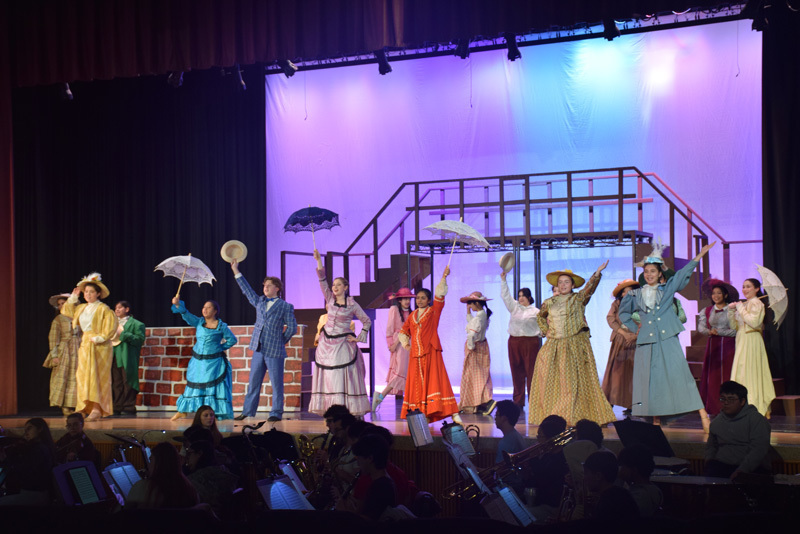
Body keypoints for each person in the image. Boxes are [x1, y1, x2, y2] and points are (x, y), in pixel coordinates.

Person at [619, 241, 715, 430]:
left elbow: (681, 275)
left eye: (653, 271)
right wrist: (635, 327)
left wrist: (699, 256)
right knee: (650, 379)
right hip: (646, 340)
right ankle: (655, 419)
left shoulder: (667, 289)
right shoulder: (635, 295)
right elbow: (623, 313)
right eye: (646, 272)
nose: (649, 275)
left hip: (667, 338)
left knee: (680, 374)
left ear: (659, 274)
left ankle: (703, 414)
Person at [528, 261, 615, 426]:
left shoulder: (578, 299)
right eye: (560, 282)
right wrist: (546, 330)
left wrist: (597, 273)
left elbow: (589, 289)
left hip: (573, 345)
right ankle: (553, 416)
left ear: (573, 285)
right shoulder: (549, 302)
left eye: (566, 282)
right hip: (554, 346)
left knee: (572, 382)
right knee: (551, 382)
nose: (562, 285)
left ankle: (571, 415)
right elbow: (540, 316)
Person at [230, 259, 297, 422]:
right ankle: (247, 411)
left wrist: (280, 341)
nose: (265, 288)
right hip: (259, 348)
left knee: (276, 384)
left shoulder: (285, 306)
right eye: (264, 286)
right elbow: (247, 290)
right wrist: (235, 271)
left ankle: (276, 412)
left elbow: (292, 327)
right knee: (253, 382)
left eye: (268, 286)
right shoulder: (260, 301)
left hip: (275, 350)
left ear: (277, 288)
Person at [310, 249, 371, 416]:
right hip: (326, 342)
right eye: (334, 285)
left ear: (346, 287)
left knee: (341, 375)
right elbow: (322, 280)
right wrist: (318, 261)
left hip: (343, 343)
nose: (335, 287)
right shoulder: (329, 299)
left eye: (338, 285)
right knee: (329, 375)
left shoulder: (352, 304)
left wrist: (359, 337)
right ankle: (331, 408)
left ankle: (345, 408)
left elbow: (367, 320)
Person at [398, 266, 461, 424]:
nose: (419, 300)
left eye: (423, 298)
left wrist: (444, 276)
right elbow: (403, 331)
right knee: (418, 385)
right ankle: (422, 414)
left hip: (430, 352)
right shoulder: (412, 315)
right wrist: (406, 345)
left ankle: (453, 413)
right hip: (416, 356)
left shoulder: (433, 312)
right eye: (417, 298)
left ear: (428, 300)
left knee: (438, 382)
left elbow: (440, 296)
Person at [60, 273, 119, 420]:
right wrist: (73, 298)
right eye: (86, 292)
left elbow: (111, 326)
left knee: (97, 376)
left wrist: (101, 337)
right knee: (83, 376)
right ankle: (83, 407)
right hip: (85, 343)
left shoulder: (103, 309)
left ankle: (97, 408)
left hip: (100, 345)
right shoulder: (81, 308)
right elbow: (66, 311)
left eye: (91, 292)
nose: (88, 294)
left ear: (98, 293)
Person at [170, 297, 237, 421]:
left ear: (215, 311)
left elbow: (232, 339)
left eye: (208, 307)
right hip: (198, 362)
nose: (205, 310)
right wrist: (178, 304)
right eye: (203, 307)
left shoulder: (221, 326)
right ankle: (183, 410)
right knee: (193, 385)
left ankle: (214, 412)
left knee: (212, 387)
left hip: (214, 362)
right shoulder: (199, 322)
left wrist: (219, 347)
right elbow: (186, 314)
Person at [705, 380, 772, 480]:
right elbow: (711, 447)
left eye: (731, 399)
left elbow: (759, 449)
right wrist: (709, 461)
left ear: (742, 401)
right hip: (721, 468)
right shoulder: (716, 422)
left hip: (751, 470)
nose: (726, 403)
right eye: (723, 399)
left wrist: (742, 470)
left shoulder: (756, 420)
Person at [728, 278, 776, 416]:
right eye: (743, 286)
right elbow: (734, 326)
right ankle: (740, 405)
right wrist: (731, 312)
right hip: (742, 339)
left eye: (748, 286)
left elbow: (754, 322)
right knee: (741, 372)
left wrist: (740, 307)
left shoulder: (757, 303)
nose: (745, 289)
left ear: (756, 289)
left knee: (750, 371)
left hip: (752, 339)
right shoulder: (745, 304)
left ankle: (755, 405)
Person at [500, 271, 541, 408]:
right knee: (516, 372)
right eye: (519, 296)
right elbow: (505, 296)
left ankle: (534, 401)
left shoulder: (536, 311)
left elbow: (544, 326)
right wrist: (503, 280)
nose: (521, 298)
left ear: (529, 297)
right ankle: (518, 402)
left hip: (530, 343)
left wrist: (543, 333)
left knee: (531, 373)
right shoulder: (514, 308)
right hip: (514, 342)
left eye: (523, 296)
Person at [698, 281, 738, 414]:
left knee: (728, 374)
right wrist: (709, 332)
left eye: (719, 293)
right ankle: (714, 406)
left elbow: (736, 331)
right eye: (714, 293)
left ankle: (731, 406)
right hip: (713, 346)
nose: (716, 295)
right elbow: (701, 327)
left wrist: (719, 332)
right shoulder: (707, 310)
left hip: (729, 346)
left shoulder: (733, 309)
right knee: (713, 376)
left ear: (725, 295)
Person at [601, 279, 640, 411]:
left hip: (637, 341)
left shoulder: (641, 303)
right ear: (622, 294)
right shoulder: (616, 304)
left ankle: (633, 404)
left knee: (634, 374)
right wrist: (624, 333)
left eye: (632, 290)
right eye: (626, 291)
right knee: (616, 374)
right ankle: (608, 405)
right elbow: (611, 319)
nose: (629, 293)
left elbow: (647, 320)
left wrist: (635, 335)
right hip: (620, 341)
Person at [372, 288, 413, 412]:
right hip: (399, 344)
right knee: (400, 372)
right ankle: (380, 396)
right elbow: (390, 329)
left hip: (409, 344)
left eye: (408, 298)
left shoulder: (412, 312)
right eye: (404, 298)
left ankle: (411, 404)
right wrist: (392, 345)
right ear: (399, 300)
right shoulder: (394, 310)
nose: (407, 301)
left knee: (408, 373)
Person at [0, 418, 56, 506]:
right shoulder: (38, 447)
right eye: (25, 429)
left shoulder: (40, 449)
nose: (26, 432)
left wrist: (7, 460)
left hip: (34, 494)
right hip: (28, 492)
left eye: (29, 428)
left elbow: (23, 470)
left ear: (40, 429)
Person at [126, 442, 199, 509]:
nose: (148, 465)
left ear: (158, 463)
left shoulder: (142, 487)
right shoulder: (189, 489)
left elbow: (121, 514)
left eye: (151, 460)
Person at [43, 293, 80, 415]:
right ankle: (65, 406)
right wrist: (54, 356)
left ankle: (76, 405)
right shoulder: (58, 320)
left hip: (79, 349)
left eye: (63, 303)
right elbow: (53, 339)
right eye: (59, 304)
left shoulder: (78, 318)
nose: (60, 306)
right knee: (64, 377)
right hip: (65, 351)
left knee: (76, 378)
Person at [458, 291, 493, 414]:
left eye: (471, 304)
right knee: (481, 375)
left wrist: (471, 346)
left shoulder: (479, 317)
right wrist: (468, 312)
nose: (470, 306)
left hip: (476, 348)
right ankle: (482, 402)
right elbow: (473, 323)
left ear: (476, 303)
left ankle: (478, 402)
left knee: (472, 376)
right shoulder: (482, 315)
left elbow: (471, 333)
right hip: (483, 346)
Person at [184, 439, 239, 516]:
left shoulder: (194, 481)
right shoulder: (226, 475)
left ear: (199, 453)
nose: (187, 459)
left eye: (189, 454)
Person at [111, 300, 145, 416]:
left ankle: (129, 406)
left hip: (128, 356)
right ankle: (117, 405)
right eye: (116, 308)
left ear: (127, 309)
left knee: (128, 381)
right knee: (117, 382)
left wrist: (124, 334)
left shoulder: (137, 324)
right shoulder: (112, 323)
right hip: (115, 355)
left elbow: (139, 340)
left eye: (120, 308)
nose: (117, 310)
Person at [583, 451, 639, 520]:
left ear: (598, 476)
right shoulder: (623, 494)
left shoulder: (607, 504)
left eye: (586, 473)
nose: (584, 478)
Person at [617, 445, 663, 517]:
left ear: (634, 470)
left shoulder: (640, 496)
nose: (620, 469)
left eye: (623, 466)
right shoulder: (652, 490)